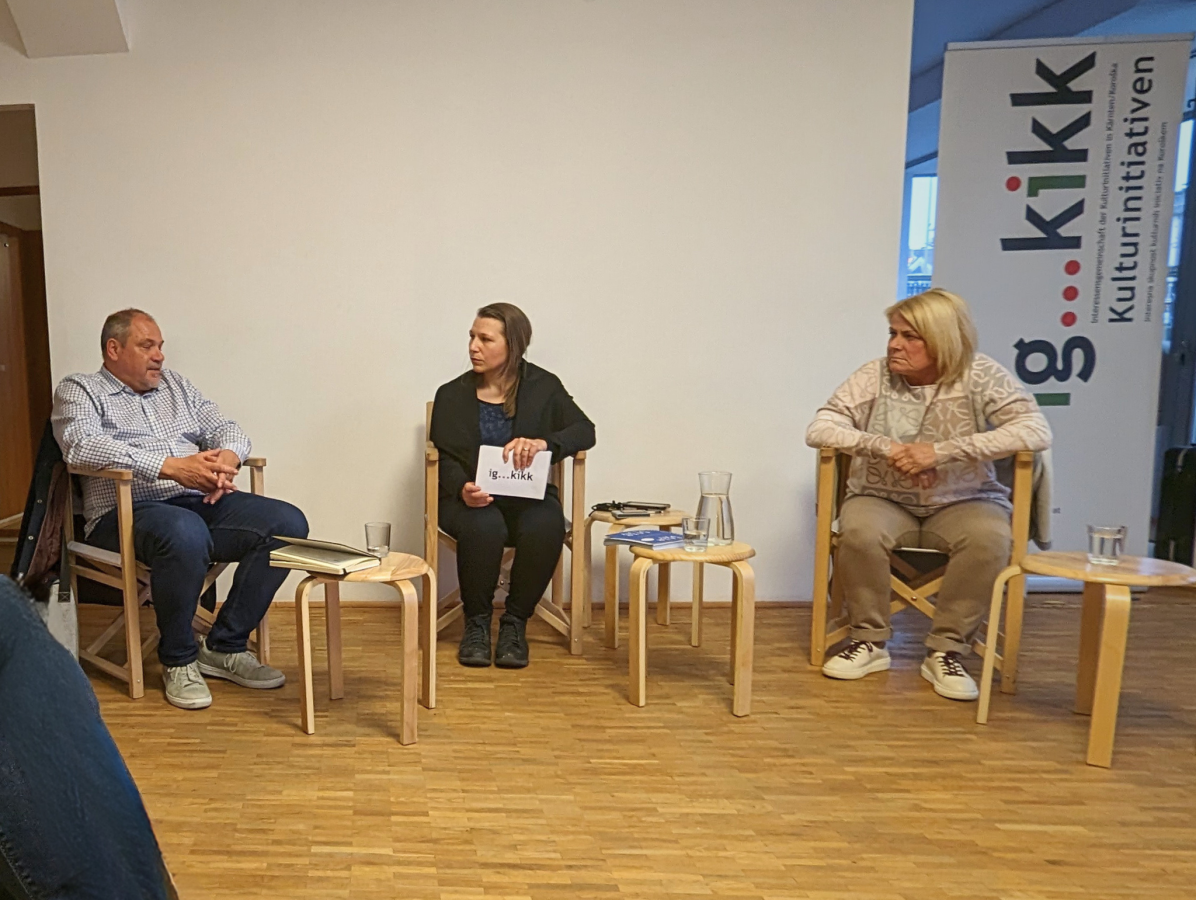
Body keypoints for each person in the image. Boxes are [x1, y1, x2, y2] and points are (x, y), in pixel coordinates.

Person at [52, 309, 309, 710]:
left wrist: (226, 461)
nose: (159, 356)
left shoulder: (176, 386)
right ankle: (178, 658)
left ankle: (225, 646)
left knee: (286, 523)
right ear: (113, 349)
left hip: (195, 504)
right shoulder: (79, 390)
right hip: (124, 514)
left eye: (160, 346)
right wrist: (170, 467)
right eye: (147, 345)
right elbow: (80, 445)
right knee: (183, 531)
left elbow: (227, 428)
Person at [805, 288, 1051, 701]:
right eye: (892, 333)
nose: (895, 345)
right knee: (859, 531)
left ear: (943, 340)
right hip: (883, 497)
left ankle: (947, 650)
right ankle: (868, 641)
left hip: (964, 499)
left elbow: (1034, 430)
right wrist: (886, 447)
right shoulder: (875, 374)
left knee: (990, 538)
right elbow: (821, 427)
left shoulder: (981, 375)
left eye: (910, 336)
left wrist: (941, 453)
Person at [431, 303, 595, 669]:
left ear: (513, 345)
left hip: (527, 496)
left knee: (546, 523)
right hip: (469, 500)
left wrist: (545, 444)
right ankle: (475, 623)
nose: (473, 346)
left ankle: (515, 623)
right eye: (472, 337)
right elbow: (441, 456)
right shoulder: (451, 395)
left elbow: (585, 430)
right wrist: (462, 490)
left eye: (485, 338)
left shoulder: (543, 386)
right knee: (484, 524)